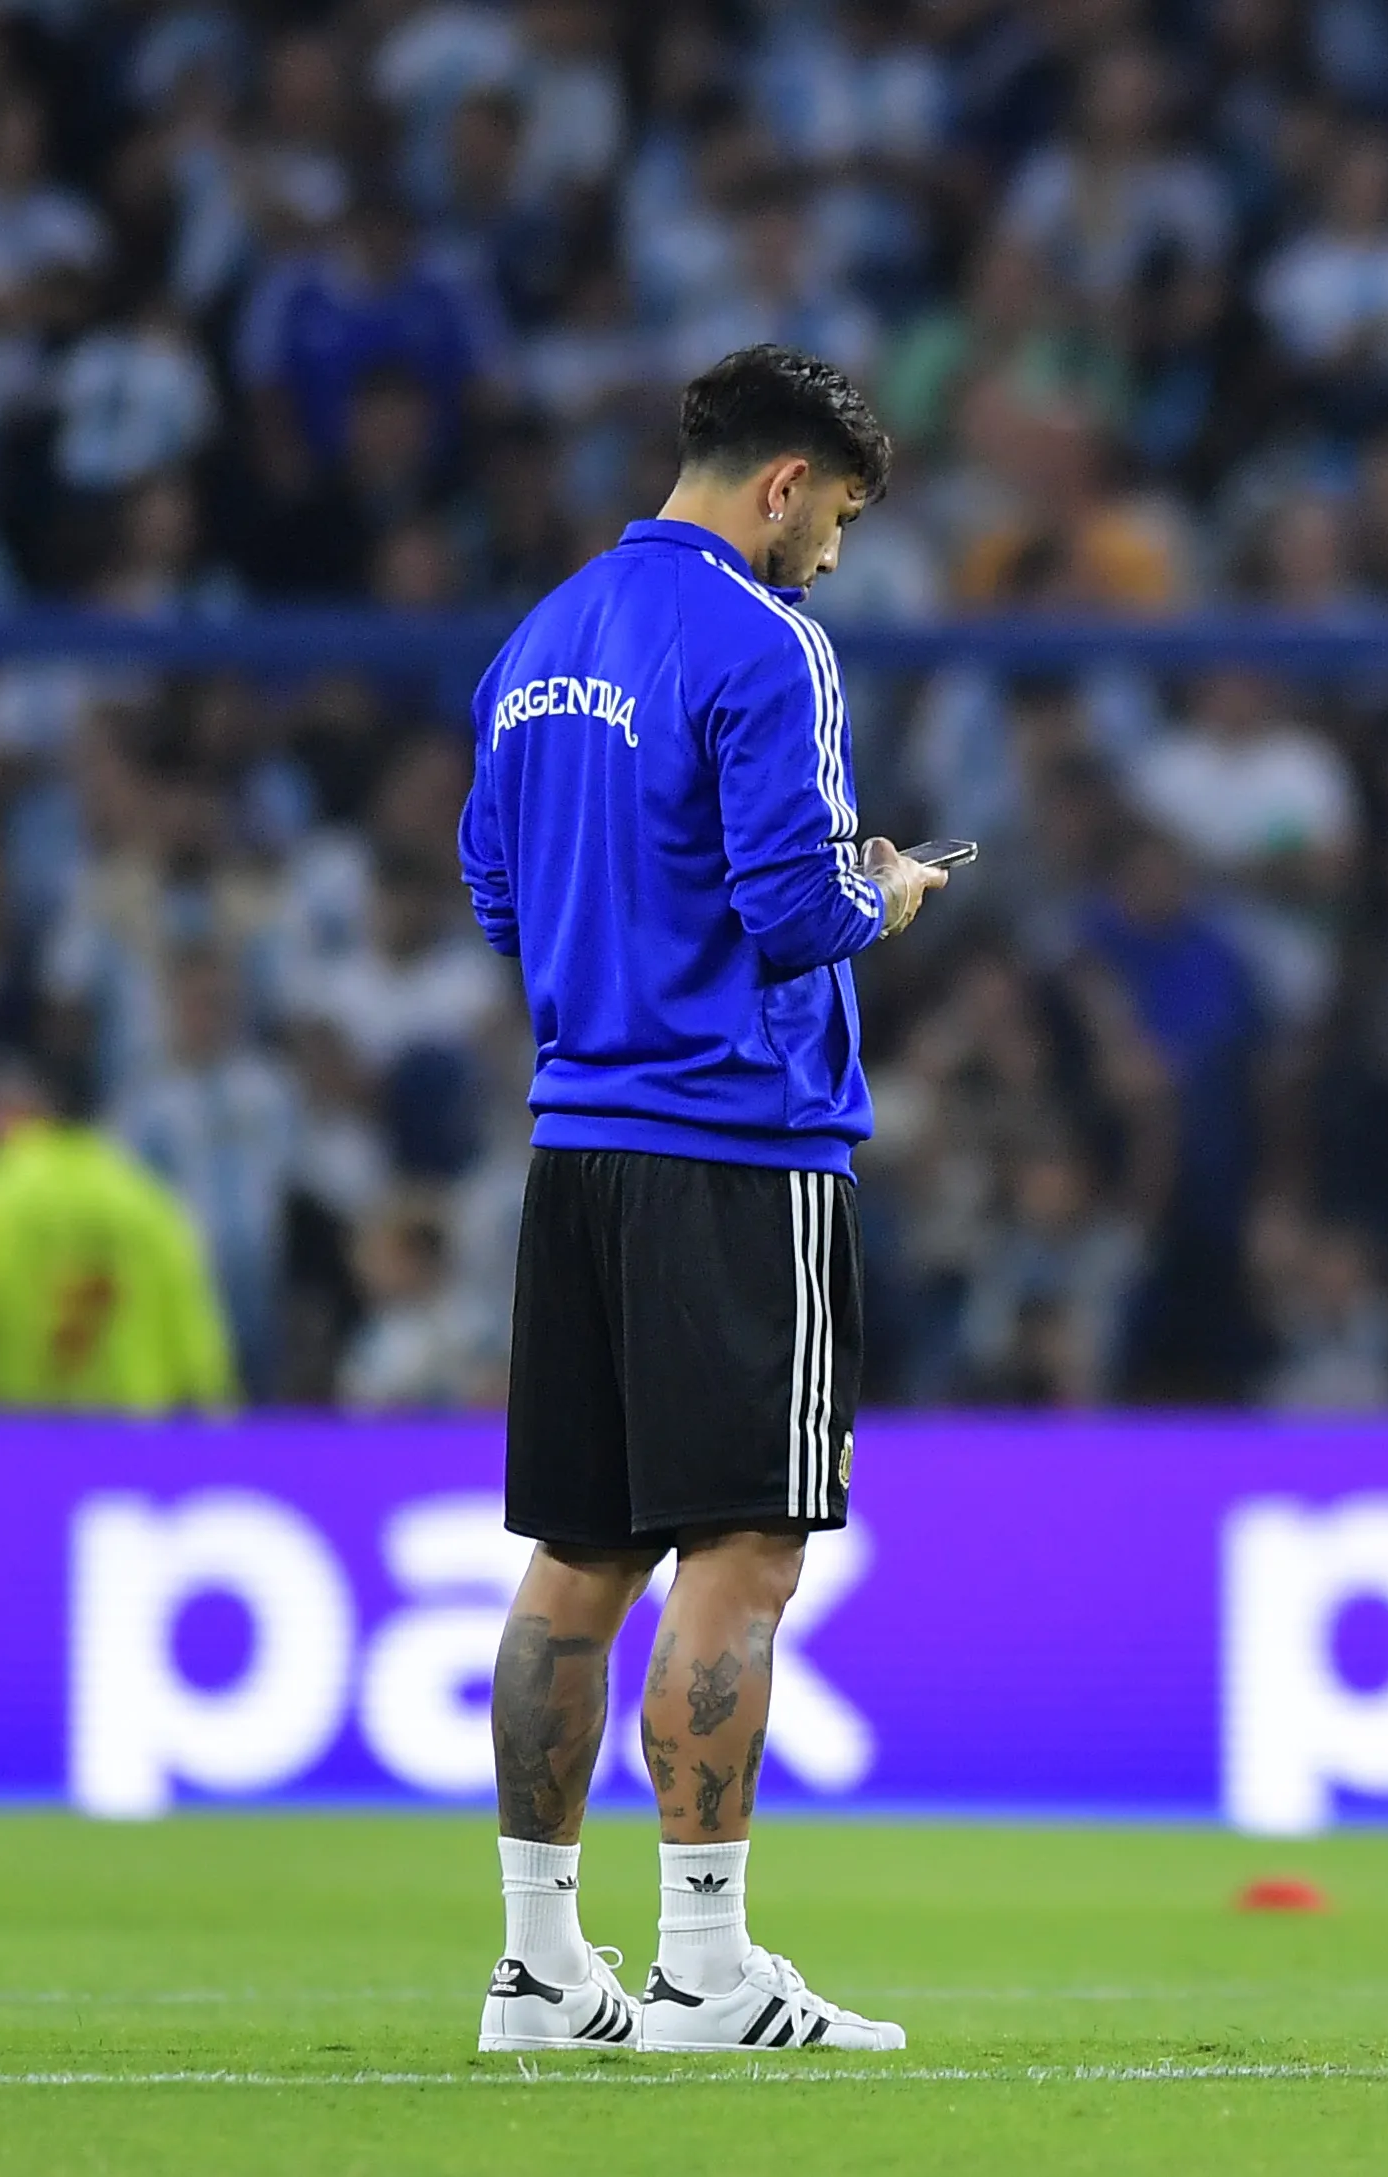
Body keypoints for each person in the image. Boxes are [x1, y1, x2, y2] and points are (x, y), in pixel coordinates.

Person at [455, 345, 944, 2056]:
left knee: (574, 1560)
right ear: (786, 483)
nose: (832, 559)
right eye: (840, 521)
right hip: (741, 1150)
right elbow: (794, 907)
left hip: (576, 1144)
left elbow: (495, 897)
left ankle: (532, 1965)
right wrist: (880, 890)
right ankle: (704, 1966)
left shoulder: (537, 645)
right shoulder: (765, 641)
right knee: (743, 1545)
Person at [0, 1054, 237, 1414]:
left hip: (5, 1441)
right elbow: (201, 1358)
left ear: (3, 1114)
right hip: (126, 1448)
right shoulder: (150, 1203)